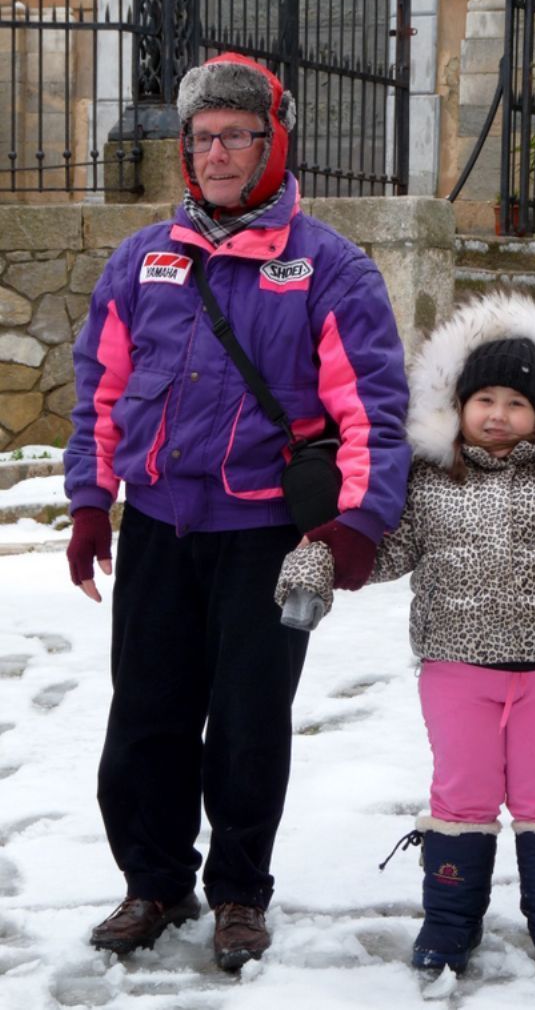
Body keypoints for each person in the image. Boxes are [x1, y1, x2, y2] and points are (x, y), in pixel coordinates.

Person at [63, 52, 411, 971]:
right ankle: (154, 882)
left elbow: (370, 406)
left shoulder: (329, 267)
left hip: (265, 536)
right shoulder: (144, 259)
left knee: (248, 722)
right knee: (146, 716)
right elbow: (100, 386)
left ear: (272, 141)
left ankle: (238, 894)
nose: (217, 154)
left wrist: (358, 524)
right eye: (203, 137)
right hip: (159, 526)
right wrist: (92, 501)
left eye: (236, 136)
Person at [276, 291, 535, 981]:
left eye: (517, 403)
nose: (499, 415)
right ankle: (450, 923)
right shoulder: (428, 485)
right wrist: (317, 563)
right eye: (486, 400)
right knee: (463, 797)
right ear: (460, 407)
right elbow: (380, 552)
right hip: (456, 673)